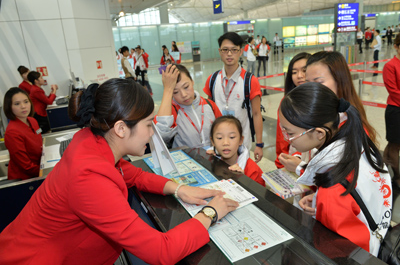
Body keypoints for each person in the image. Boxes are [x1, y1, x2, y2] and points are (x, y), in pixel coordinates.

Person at [0, 78, 239, 264]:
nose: (152, 132)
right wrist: (209, 214)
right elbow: (161, 250)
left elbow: (132, 174)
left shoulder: (91, 140)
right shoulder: (88, 179)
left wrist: (179, 188)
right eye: (148, 124)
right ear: (122, 128)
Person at [281, 83, 392, 256]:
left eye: (289, 132)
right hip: (377, 229)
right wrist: (319, 200)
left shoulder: (333, 188)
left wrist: (327, 203)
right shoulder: (356, 143)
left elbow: (341, 252)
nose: (286, 138)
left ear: (319, 133)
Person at [278, 51, 377, 174]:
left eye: (319, 82)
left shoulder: (350, 126)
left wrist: (302, 168)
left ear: (340, 81)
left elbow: (338, 179)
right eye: (308, 83)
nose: (312, 89)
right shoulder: (320, 112)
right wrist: (298, 158)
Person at [203, 32, 264, 163]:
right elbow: (209, 111)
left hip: (242, 144)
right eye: (225, 50)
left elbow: (256, 113)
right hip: (219, 144)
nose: (229, 54)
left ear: (240, 51)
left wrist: (259, 144)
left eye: (234, 50)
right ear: (220, 51)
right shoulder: (212, 80)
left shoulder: (250, 81)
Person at [155, 64, 222, 148]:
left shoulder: (209, 105)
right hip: (185, 160)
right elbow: (160, 136)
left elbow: (224, 131)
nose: (183, 95)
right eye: (175, 92)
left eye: (186, 87)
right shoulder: (171, 111)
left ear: (192, 81)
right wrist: (167, 89)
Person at [275, 52, 311, 169]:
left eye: (304, 70)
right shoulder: (286, 102)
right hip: (291, 160)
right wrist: (282, 161)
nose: (299, 76)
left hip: (314, 164)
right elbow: (282, 137)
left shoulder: (320, 102)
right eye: (294, 72)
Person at [208, 116, 264, 186]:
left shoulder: (253, 170)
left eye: (232, 137)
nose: (225, 143)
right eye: (219, 138)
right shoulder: (212, 161)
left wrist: (243, 180)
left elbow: (259, 194)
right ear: (213, 142)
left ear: (240, 140)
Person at [3, 87, 42, 180]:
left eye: (26, 101)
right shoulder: (12, 132)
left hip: (40, 166)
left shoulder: (32, 121)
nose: (23, 106)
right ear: (9, 107)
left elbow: (39, 141)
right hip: (25, 179)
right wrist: (47, 172)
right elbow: (26, 167)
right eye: (17, 104)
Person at [382, 33, 400, 183]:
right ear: (396, 47)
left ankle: (382, 166)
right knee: (395, 144)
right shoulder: (390, 65)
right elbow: (393, 91)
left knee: (394, 143)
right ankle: (397, 176)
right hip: (396, 110)